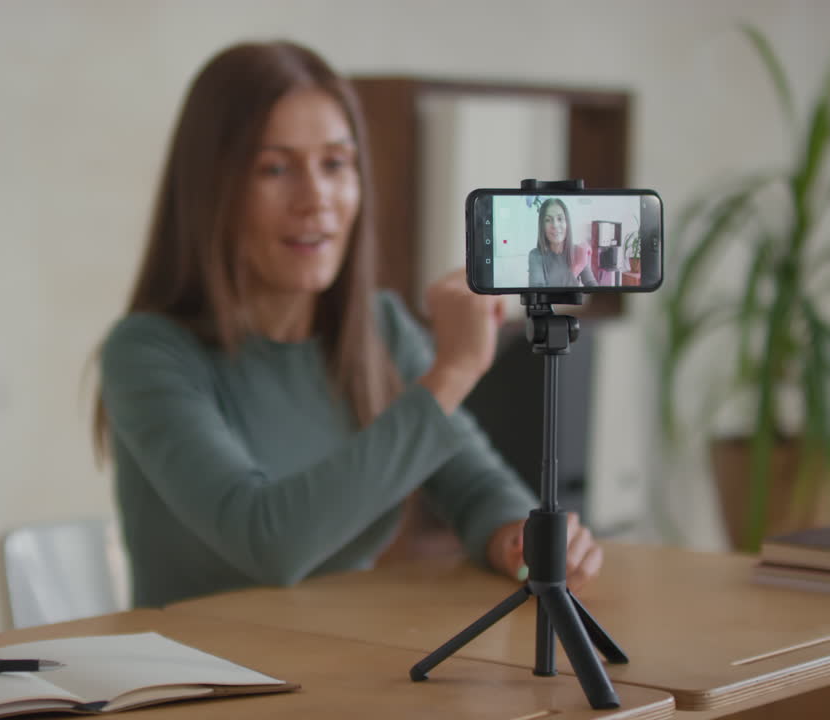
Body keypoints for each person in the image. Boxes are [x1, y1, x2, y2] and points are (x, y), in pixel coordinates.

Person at [95, 41, 602, 608]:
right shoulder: (146, 353)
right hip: (195, 684)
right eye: (274, 169)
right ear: (211, 188)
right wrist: (452, 371)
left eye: (335, 164)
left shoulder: (378, 328)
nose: (316, 200)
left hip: (339, 665)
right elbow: (269, 543)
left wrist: (518, 537)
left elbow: (477, 486)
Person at [528, 198, 597, 287]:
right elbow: (538, 295)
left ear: (567, 223)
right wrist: (577, 268)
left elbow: (593, 288)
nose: (555, 225)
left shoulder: (579, 251)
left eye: (560, 219)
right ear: (542, 226)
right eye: (548, 220)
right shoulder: (535, 255)